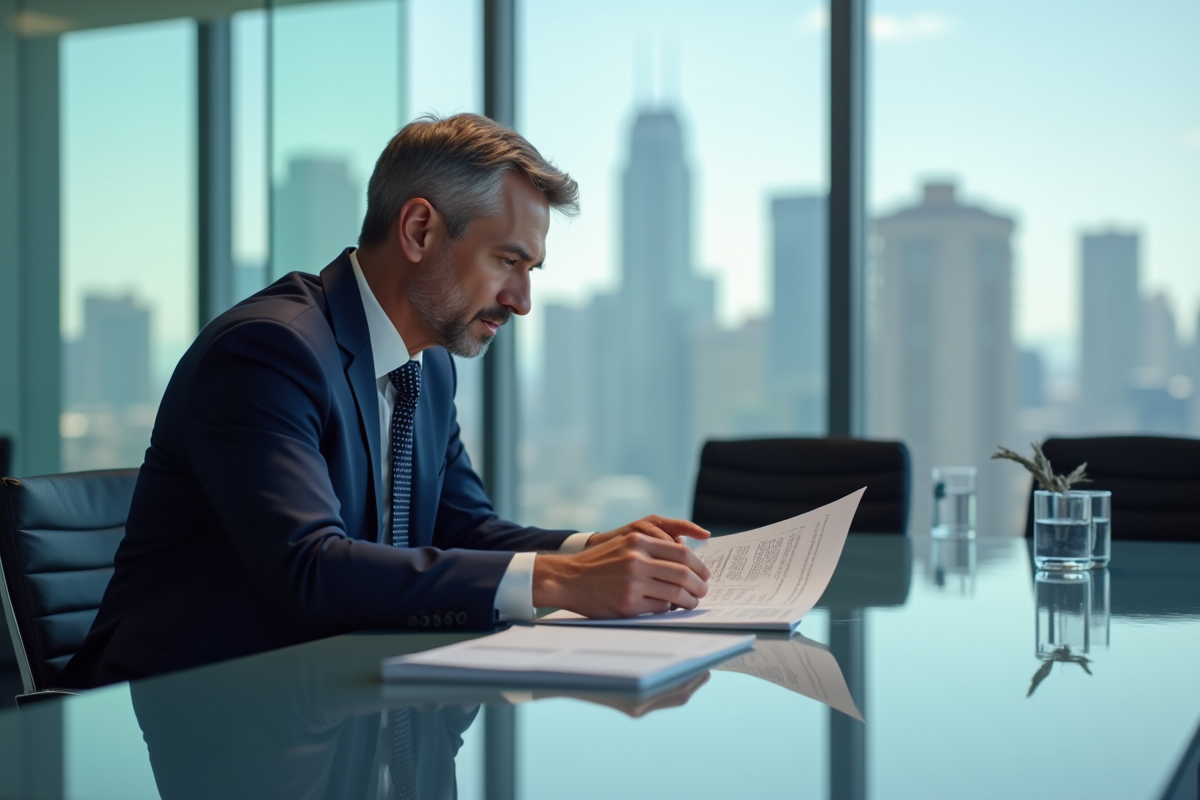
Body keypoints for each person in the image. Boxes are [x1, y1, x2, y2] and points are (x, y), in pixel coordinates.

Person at [63, 113, 710, 688]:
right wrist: (561, 581)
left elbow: (462, 529)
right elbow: (309, 569)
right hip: (194, 714)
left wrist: (590, 548)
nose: (521, 300)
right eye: (506, 260)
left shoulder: (427, 367)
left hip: (337, 700)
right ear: (421, 229)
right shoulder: (267, 352)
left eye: (529, 271)